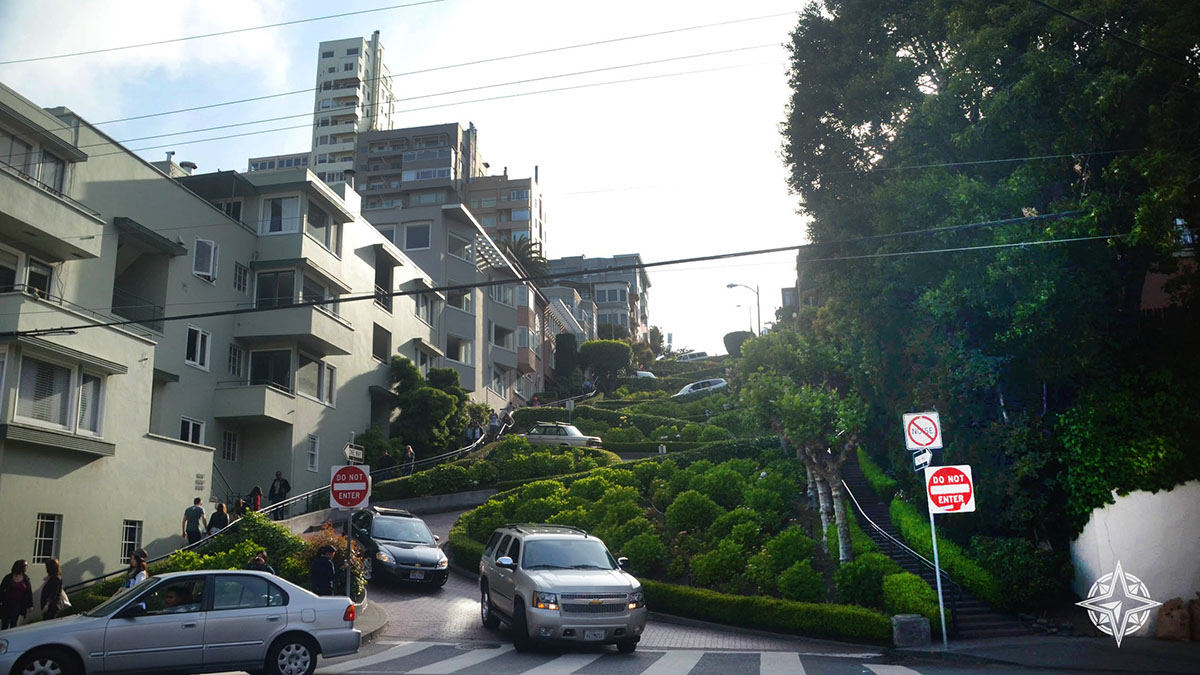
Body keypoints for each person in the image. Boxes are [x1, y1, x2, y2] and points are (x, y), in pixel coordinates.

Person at [0, 559, 33, 629]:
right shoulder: (9, 577)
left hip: (18, 603)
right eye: (26, 566)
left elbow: (29, 592)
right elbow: (1, 589)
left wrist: (30, 605)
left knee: (14, 620)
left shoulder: (26, 579)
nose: (27, 568)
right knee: (5, 621)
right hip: (7, 602)